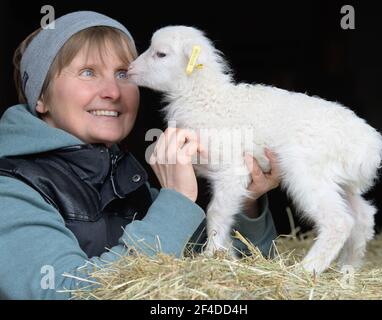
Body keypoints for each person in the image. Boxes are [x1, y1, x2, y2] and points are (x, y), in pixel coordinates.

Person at [0, 11, 280, 300]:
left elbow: (246, 282)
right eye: (88, 72)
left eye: (123, 73)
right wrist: (178, 201)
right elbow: (66, 295)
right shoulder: (10, 190)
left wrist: (244, 201)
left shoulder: (137, 190)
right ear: (41, 98)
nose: (113, 91)